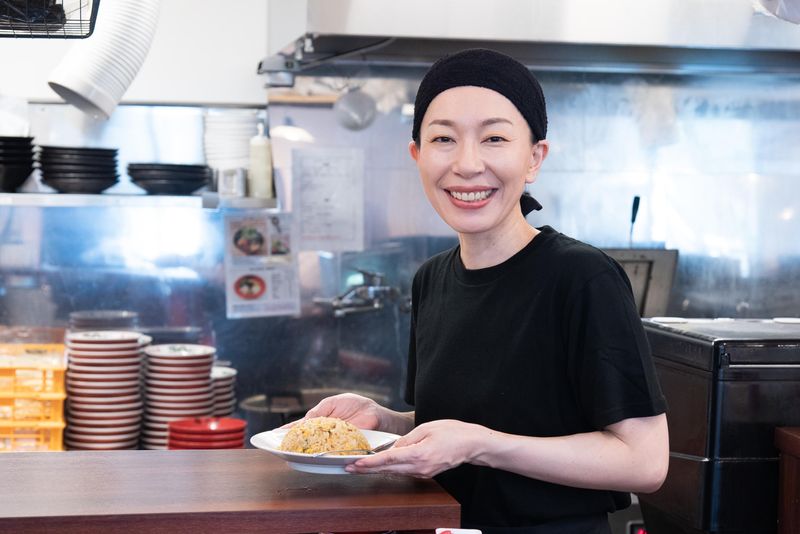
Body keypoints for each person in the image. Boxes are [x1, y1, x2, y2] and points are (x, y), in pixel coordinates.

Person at [302, 48, 669, 534]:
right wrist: (386, 421)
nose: (467, 164)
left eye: (494, 137)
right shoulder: (431, 279)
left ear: (534, 158)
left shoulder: (582, 277)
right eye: (443, 139)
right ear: (417, 156)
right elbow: (455, 424)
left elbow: (644, 462)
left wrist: (483, 445)